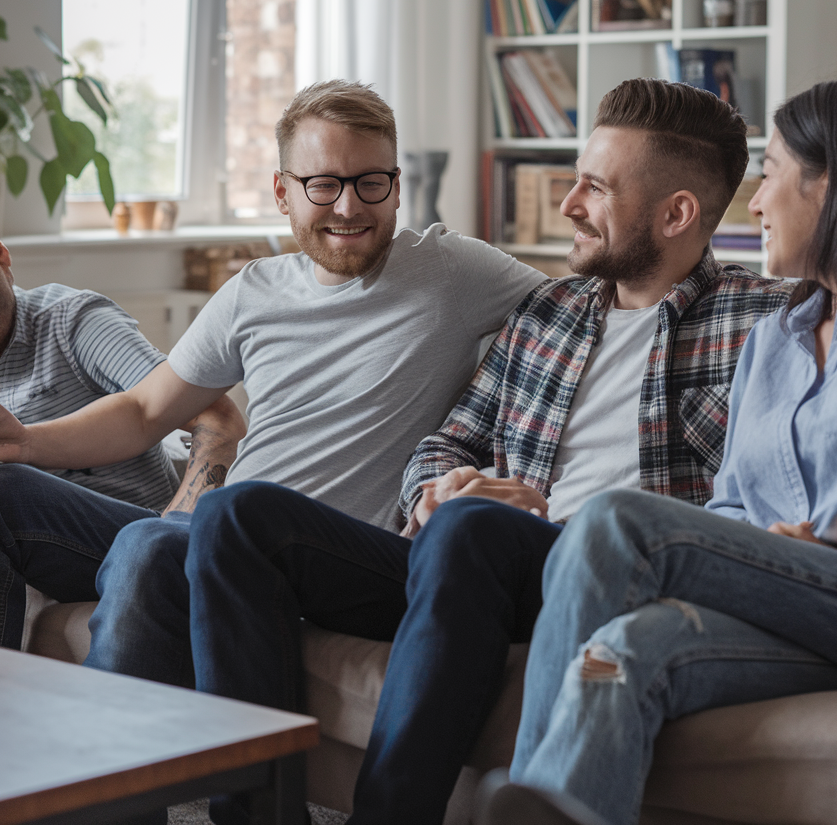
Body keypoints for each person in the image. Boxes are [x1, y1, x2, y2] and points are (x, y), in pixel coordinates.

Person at [180, 78, 791, 825]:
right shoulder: (548, 310)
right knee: (235, 517)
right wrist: (441, 488)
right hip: (471, 564)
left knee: (477, 533)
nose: (568, 206)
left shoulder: (768, 323)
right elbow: (449, 440)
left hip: (610, 574)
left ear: (678, 213)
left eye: (594, 189)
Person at [479, 74, 837, 825]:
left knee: (612, 523)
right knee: (627, 652)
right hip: (795, 604)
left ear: (834, 185)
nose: (757, 201)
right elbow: (731, 503)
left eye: (770, 173)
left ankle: (524, 797)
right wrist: (767, 546)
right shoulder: (776, 338)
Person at [0, 79, 543, 670]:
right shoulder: (254, 291)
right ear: (283, 193)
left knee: (150, 543)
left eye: (370, 182)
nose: (349, 206)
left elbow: (590, 310)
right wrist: (25, 442)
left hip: (332, 554)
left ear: (395, 187)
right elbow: (145, 412)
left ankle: (134, 760)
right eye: (323, 184)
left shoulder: (451, 270)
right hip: (223, 533)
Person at [0, 236, 245, 651]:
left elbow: (216, 417)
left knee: (7, 488)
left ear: (3, 256)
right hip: (42, 552)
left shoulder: (71, 321)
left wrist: (179, 534)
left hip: (135, 529)